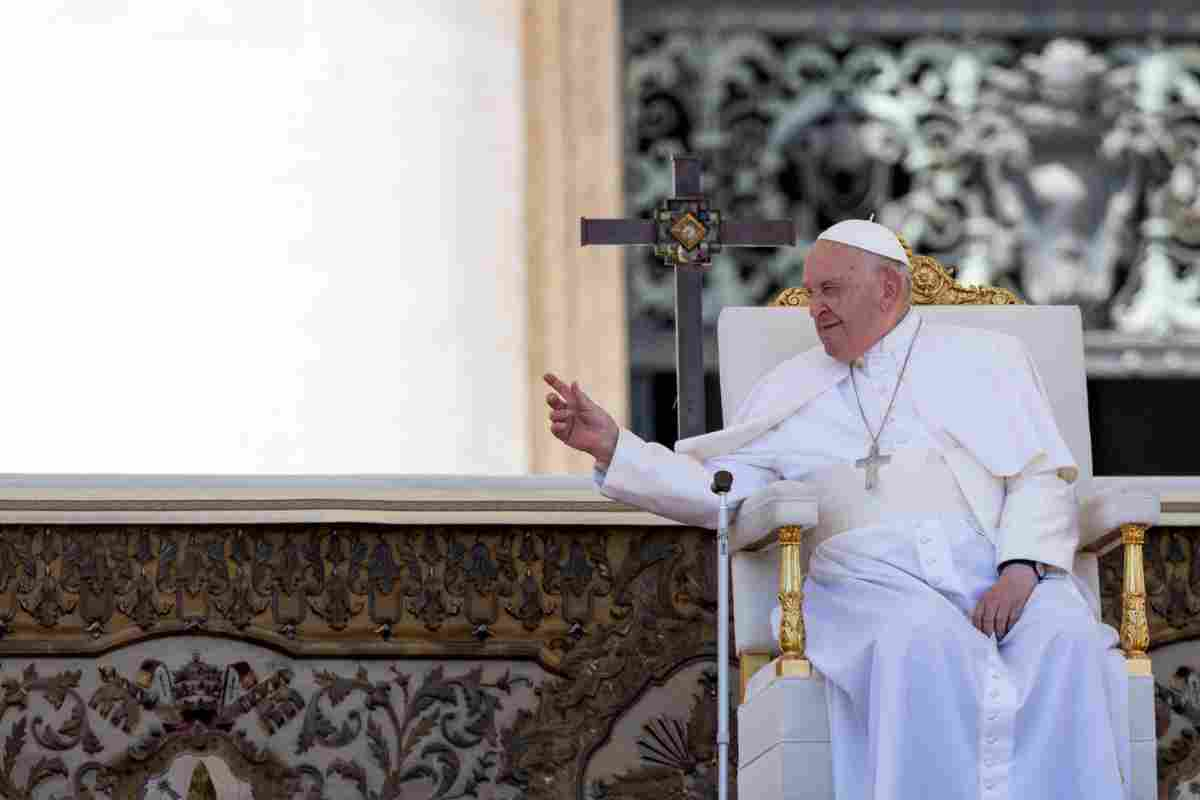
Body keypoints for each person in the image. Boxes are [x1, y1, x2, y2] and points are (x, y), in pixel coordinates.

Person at [543, 219, 1127, 800]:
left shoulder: (987, 359)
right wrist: (616, 446)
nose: (814, 308)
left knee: (1068, 636)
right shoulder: (789, 389)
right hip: (867, 582)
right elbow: (719, 486)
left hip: (991, 565)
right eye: (811, 291)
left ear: (888, 290)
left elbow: (1039, 474)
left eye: (831, 290)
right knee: (919, 642)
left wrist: (1021, 568)